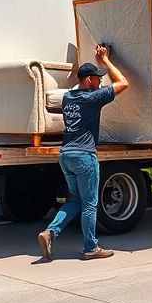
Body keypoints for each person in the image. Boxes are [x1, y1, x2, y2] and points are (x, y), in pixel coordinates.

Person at [37, 44, 129, 261]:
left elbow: (81, 88)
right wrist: (105, 61)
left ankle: (50, 232)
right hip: (84, 156)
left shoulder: (68, 97)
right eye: (97, 78)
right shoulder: (92, 98)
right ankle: (91, 247)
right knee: (89, 203)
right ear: (89, 81)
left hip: (66, 155)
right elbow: (124, 83)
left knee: (76, 200)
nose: (100, 81)